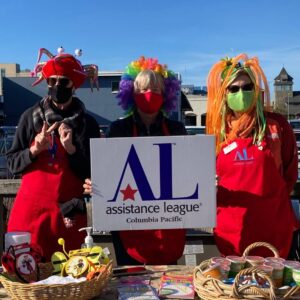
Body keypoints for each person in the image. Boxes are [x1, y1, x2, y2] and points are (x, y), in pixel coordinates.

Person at [84, 56, 187, 265]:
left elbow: (186, 174)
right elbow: (109, 173)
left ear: (165, 94)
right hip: (129, 226)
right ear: (130, 93)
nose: (148, 95)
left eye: (155, 90)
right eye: (141, 90)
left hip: (168, 226)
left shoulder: (177, 130)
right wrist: (95, 184)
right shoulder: (117, 130)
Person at [6, 47, 100, 261]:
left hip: (69, 215)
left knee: (70, 276)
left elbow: (92, 172)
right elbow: (12, 163)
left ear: (74, 85)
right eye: (52, 81)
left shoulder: (88, 123)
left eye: (64, 81)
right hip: (30, 214)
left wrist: (71, 150)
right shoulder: (30, 117)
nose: (57, 86)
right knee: (27, 276)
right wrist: (34, 150)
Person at [206, 53, 299, 258]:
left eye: (248, 87)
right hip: (232, 233)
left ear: (256, 91)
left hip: (274, 230)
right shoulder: (217, 132)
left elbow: (290, 174)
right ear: (224, 93)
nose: (242, 92)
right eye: (234, 88)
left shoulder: (277, 126)